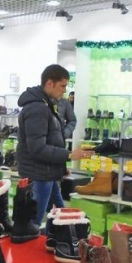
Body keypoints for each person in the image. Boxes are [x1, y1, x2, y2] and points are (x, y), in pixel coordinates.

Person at [17, 64, 93, 227]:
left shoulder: (46, 104)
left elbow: (50, 140)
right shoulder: (37, 109)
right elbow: (38, 148)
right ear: (50, 83)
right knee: (33, 223)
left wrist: (61, 167)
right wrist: (69, 155)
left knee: (61, 217)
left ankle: (59, 239)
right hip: (39, 174)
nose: (64, 91)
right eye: (62, 86)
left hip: (47, 172)